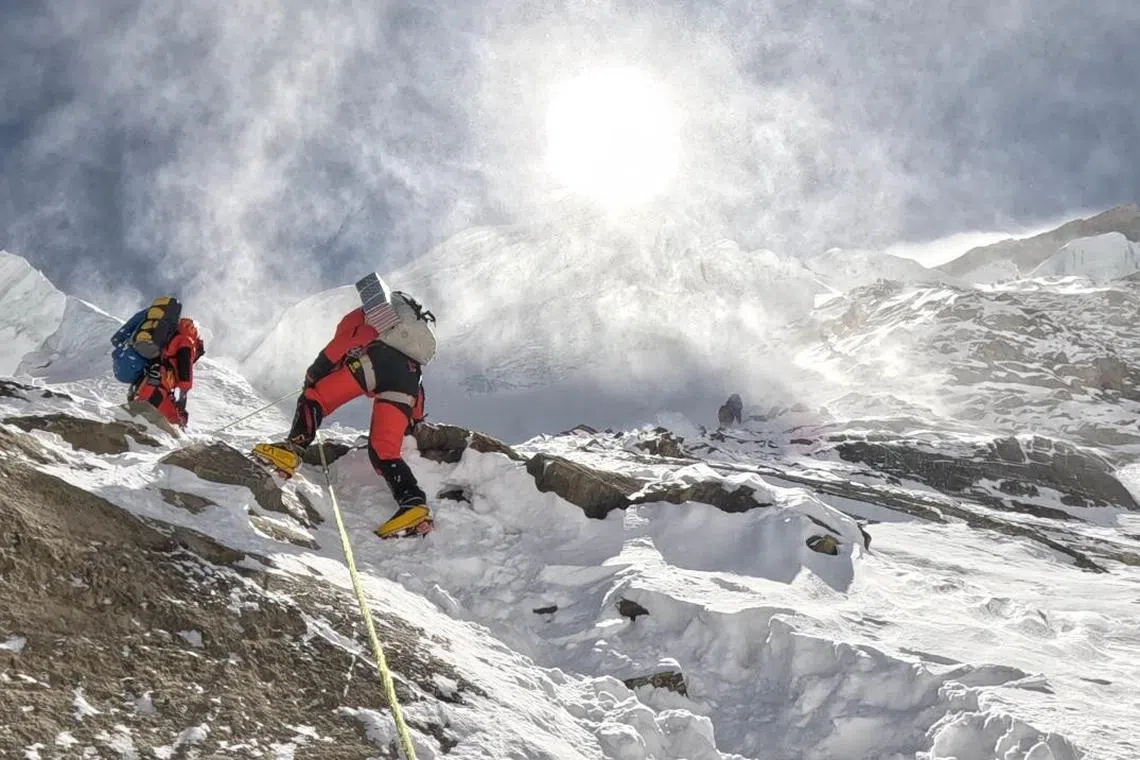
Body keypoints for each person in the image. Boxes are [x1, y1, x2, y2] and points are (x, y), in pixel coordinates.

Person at [254, 286, 436, 539]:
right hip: (407, 380)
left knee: (314, 397)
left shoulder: (363, 316)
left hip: (378, 363)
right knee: (385, 451)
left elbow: (344, 343)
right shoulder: (408, 344)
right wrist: (415, 419)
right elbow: (417, 387)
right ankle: (414, 504)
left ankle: (292, 450)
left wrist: (314, 374)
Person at [128, 317, 205, 429]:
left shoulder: (172, 337)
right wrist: (184, 389)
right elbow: (185, 364)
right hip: (160, 381)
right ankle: (131, 425)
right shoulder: (187, 341)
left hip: (153, 380)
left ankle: (177, 431)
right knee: (144, 411)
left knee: (173, 421)